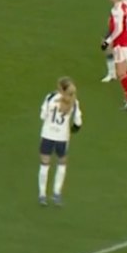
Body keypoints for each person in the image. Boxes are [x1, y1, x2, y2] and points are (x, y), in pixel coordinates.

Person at [38, 77, 82, 206]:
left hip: (47, 135)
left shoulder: (50, 98)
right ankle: (56, 194)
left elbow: (42, 116)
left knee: (44, 164)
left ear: (59, 88)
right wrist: (70, 130)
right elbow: (78, 123)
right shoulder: (74, 102)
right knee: (61, 163)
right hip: (62, 138)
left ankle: (42, 195)